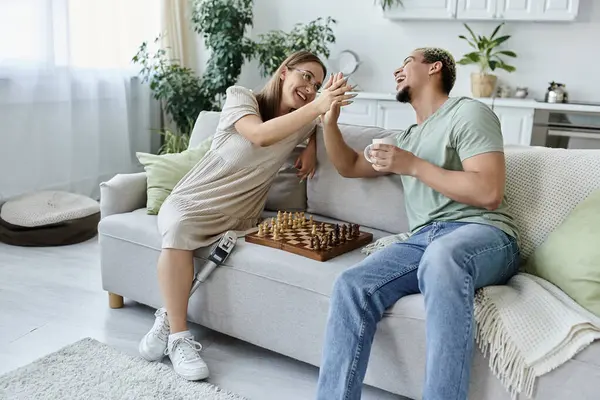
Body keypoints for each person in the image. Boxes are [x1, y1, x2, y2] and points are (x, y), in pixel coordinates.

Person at [315, 47, 521, 400]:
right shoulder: (406, 138)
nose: (397, 69)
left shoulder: (468, 112)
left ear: (435, 68)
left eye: (407, 62)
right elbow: (348, 166)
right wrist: (329, 123)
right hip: (422, 240)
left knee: (442, 257)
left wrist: (411, 166)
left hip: (483, 233)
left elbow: (489, 191)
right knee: (352, 284)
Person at [138, 50, 356, 381]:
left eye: (318, 84)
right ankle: (179, 338)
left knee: (213, 242)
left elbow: (320, 125)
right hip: (194, 198)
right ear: (285, 72)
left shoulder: (303, 120)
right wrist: (318, 106)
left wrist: (313, 141)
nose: (310, 88)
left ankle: (166, 318)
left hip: (240, 214)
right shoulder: (241, 98)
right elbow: (260, 134)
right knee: (179, 228)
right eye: (306, 77)